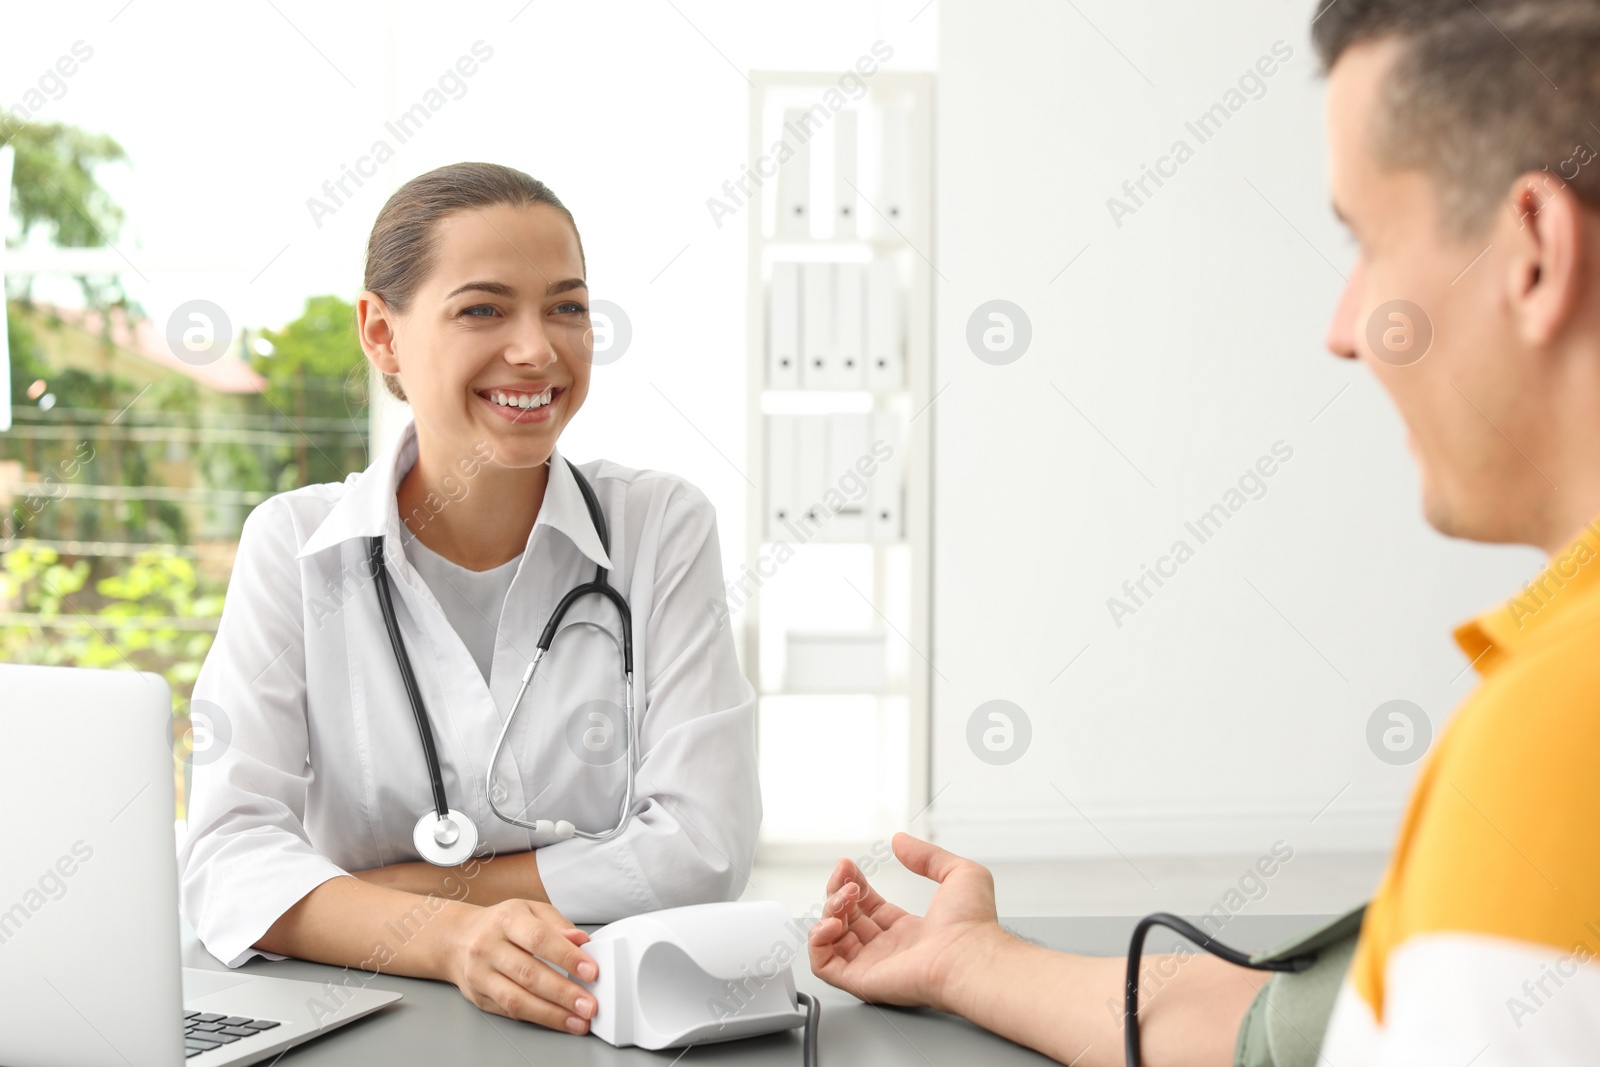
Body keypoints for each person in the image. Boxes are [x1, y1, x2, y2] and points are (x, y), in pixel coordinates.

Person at [808, 1, 1600, 1063]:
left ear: (1534, 251)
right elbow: (1295, 1036)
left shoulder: (1555, 737)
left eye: (1366, 241)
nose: (1342, 326)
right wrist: (964, 960)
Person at [177, 162, 760, 1037]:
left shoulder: (660, 526)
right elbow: (225, 857)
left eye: (566, 306)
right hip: (358, 1017)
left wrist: (379, 896)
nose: (537, 349)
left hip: (593, 1012)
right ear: (380, 333)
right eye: (483, 308)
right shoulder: (293, 548)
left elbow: (701, 849)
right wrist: (449, 935)